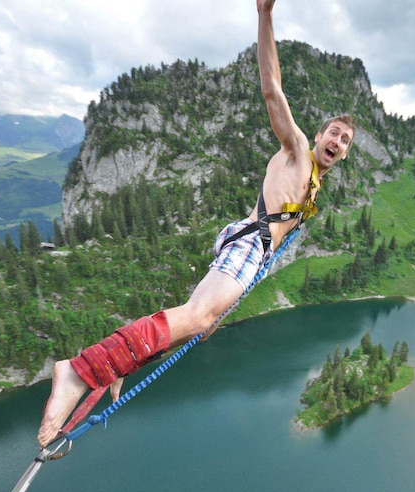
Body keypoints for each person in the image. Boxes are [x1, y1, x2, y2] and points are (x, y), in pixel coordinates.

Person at [37, 0, 356, 447]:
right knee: (196, 316)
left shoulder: (315, 180)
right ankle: (79, 370)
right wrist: (265, 15)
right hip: (248, 245)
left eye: (345, 140)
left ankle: (115, 364)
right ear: (319, 135)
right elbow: (272, 90)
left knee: (198, 326)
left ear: (344, 153)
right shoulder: (298, 149)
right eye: (334, 133)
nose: (338, 141)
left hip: (249, 248)